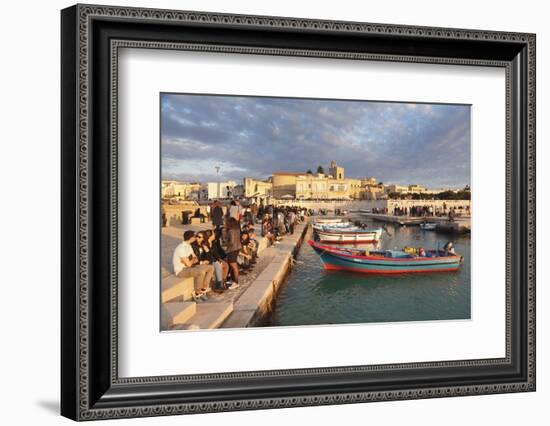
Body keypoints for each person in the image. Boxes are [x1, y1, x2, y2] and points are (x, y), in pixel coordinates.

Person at [172, 230, 214, 302]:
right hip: (181, 270)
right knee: (201, 272)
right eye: (195, 236)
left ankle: (203, 289)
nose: (196, 238)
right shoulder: (181, 248)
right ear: (191, 238)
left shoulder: (188, 246)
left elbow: (195, 259)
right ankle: (197, 293)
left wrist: (190, 260)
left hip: (189, 267)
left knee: (211, 268)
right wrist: (191, 260)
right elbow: (188, 264)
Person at [223, 217, 241, 289]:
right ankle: (233, 280)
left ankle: (236, 282)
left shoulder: (231, 231)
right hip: (236, 248)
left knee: (234, 266)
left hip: (232, 249)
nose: (225, 224)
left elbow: (231, 242)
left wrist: (224, 244)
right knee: (233, 265)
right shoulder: (237, 230)